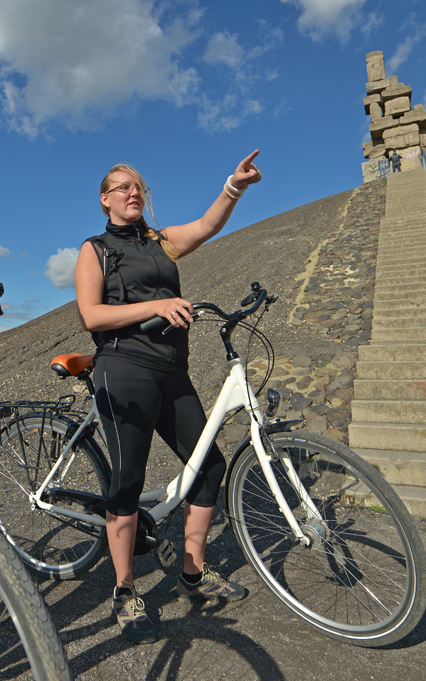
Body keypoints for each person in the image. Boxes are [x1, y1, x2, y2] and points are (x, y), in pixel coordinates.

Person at [73, 150, 263, 644]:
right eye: (122, 187)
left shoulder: (159, 243)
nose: (133, 192)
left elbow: (204, 226)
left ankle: (193, 573)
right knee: (128, 480)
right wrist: (155, 305)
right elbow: (92, 317)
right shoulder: (95, 249)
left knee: (209, 466)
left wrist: (234, 186)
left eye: (139, 187)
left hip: (170, 370)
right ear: (105, 200)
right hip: (123, 369)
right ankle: (123, 589)